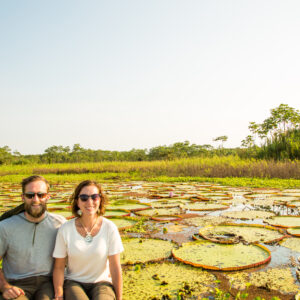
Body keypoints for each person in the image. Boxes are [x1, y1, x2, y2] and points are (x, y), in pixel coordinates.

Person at [53, 180, 123, 300]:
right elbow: (59, 267)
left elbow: (115, 266)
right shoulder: (65, 229)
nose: (89, 202)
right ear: (77, 202)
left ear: (100, 200)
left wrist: (119, 298)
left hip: (102, 282)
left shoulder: (109, 227)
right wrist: (59, 294)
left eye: (94, 197)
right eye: (84, 198)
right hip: (74, 282)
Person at [0, 175, 66, 300]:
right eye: (30, 195)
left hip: (48, 283)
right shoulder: (5, 226)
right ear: (23, 197)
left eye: (41, 195)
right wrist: (5, 287)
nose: (36, 199)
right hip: (16, 283)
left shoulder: (59, 224)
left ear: (47, 196)